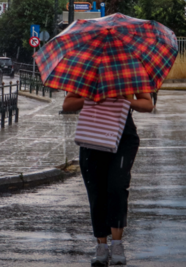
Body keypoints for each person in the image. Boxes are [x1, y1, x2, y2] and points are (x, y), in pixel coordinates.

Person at [63, 92, 154, 266]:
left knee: (117, 187)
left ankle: (117, 245)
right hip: (92, 137)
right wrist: (91, 99)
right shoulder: (88, 70)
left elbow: (148, 105)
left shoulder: (129, 69)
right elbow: (67, 105)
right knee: (96, 192)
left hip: (123, 138)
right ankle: (101, 246)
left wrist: (126, 100)